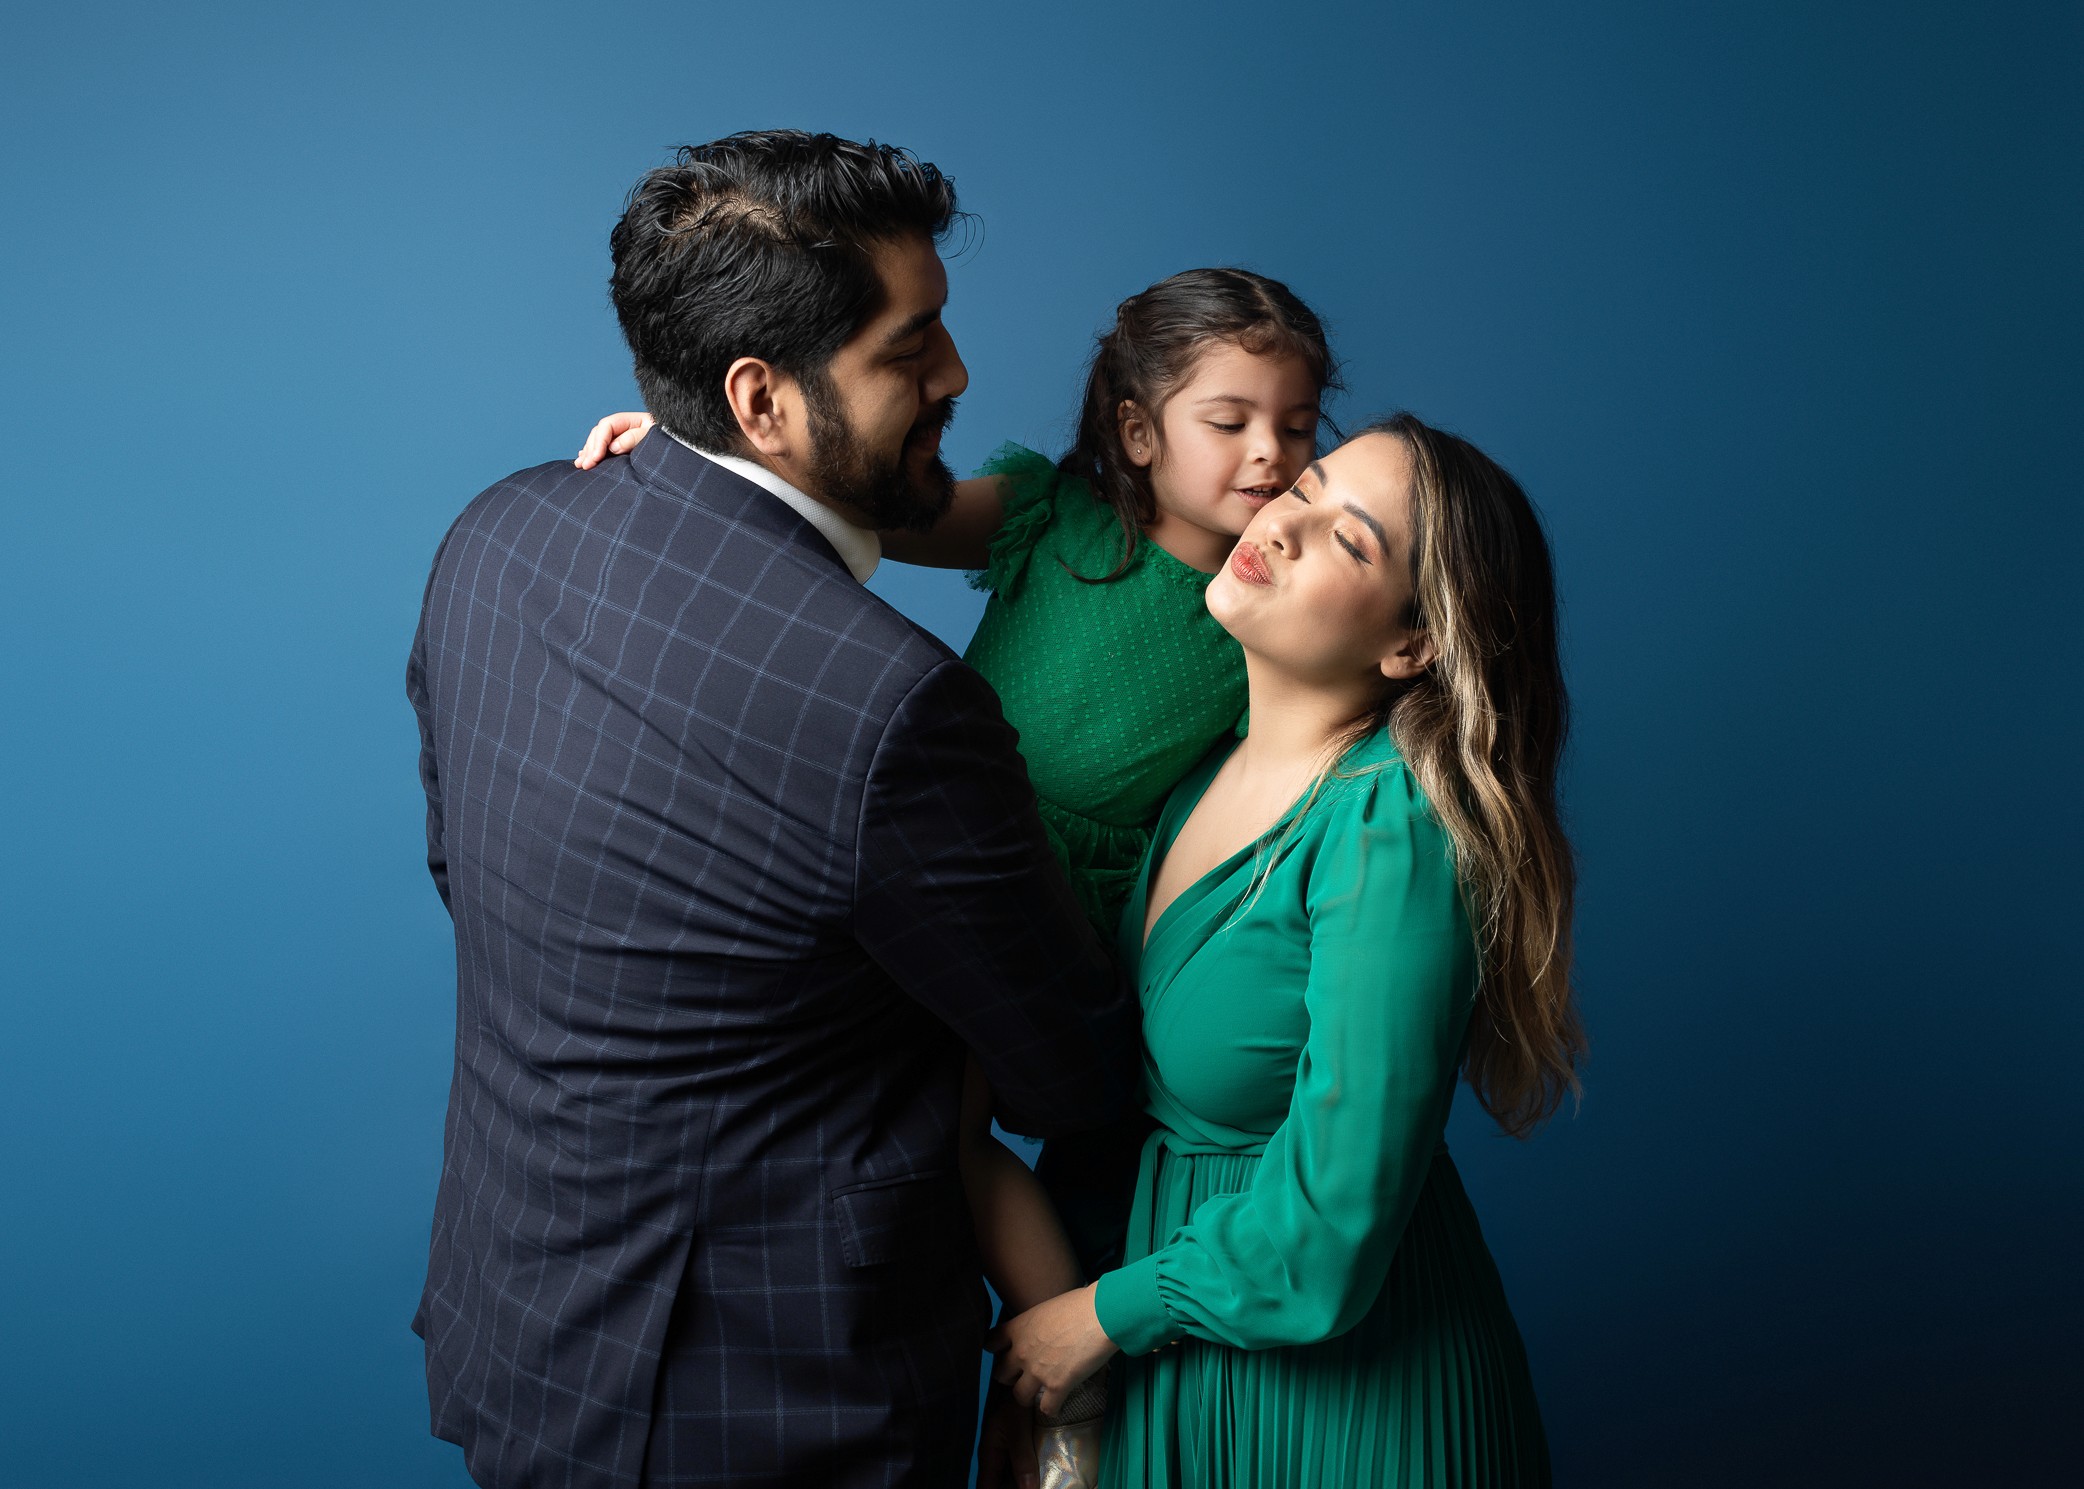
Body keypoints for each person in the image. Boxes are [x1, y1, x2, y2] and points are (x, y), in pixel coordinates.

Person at [405, 130, 1137, 1489]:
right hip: (778, 1410)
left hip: (524, 1346)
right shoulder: (891, 706)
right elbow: (1071, 1071)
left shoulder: (497, 533)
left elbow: (474, 875)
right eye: (910, 347)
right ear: (763, 400)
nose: (958, 374)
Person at [576, 268, 1338, 1480]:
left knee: (966, 1127)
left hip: (1059, 895)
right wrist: (693, 460)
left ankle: (1066, 1394)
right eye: (1230, 421)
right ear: (1138, 432)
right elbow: (859, 506)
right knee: (902, 1116)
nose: (1269, 454)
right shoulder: (1054, 518)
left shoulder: (1282, 602)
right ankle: (1040, 1372)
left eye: (1296, 428)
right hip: (931, 835)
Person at [985, 416, 1582, 1487]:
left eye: (1348, 540)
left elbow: (1333, 1225)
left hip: (1346, 1405)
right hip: (1171, 1355)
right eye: (1301, 488)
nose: (1283, 522)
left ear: (1410, 646)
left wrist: (1101, 1317)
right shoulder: (1190, 773)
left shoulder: (1390, 828)